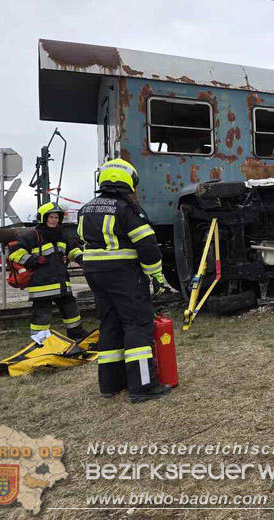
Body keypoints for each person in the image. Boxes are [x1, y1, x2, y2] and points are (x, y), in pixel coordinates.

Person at [78, 158, 170, 403]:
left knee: (110, 326)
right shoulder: (127, 208)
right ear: (128, 180)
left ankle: (110, 384)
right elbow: (147, 245)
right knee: (138, 326)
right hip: (123, 274)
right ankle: (143, 387)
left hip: (95, 274)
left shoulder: (87, 208)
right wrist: (156, 274)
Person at [9, 202, 87, 340]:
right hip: (42, 285)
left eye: (56, 218)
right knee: (42, 315)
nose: (54, 220)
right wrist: (32, 260)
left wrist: (79, 257)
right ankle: (40, 340)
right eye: (51, 217)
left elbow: (72, 249)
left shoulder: (62, 235)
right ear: (43, 218)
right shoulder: (32, 235)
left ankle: (77, 335)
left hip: (62, 283)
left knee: (71, 309)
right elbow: (14, 253)